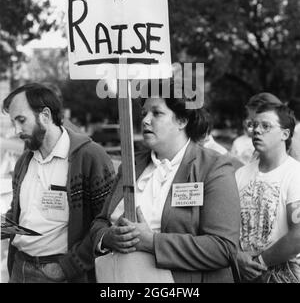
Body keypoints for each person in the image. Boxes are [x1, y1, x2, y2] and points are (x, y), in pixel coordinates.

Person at [90, 79, 241, 283]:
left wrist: (152, 242)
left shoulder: (214, 168)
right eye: (144, 113)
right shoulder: (130, 165)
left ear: (182, 120)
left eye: (157, 113)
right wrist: (107, 237)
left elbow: (223, 248)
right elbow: (100, 222)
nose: (145, 120)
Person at [2, 83, 115, 283]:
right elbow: (19, 214)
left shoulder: (90, 156)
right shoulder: (25, 160)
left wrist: (69, 267)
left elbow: (106, 222)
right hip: (19, 268)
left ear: (45, 115)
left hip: (61, 273)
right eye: (13, 123)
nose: (17, 130)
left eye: (21, 120)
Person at [235, 103, 300, 283]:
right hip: (241, 272)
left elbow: (298, 235)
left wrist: (259, 262)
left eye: (266, 126)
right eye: (254, 125)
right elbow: (227, 226)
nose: (256, 130)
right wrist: (238, 256)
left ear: (285, 134)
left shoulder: (295, 174)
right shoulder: (240, 175)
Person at [231, 92, 282, 165]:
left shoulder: (290, 151)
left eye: (264, 125)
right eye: (253, 123)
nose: (255, 129)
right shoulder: (262, 147)